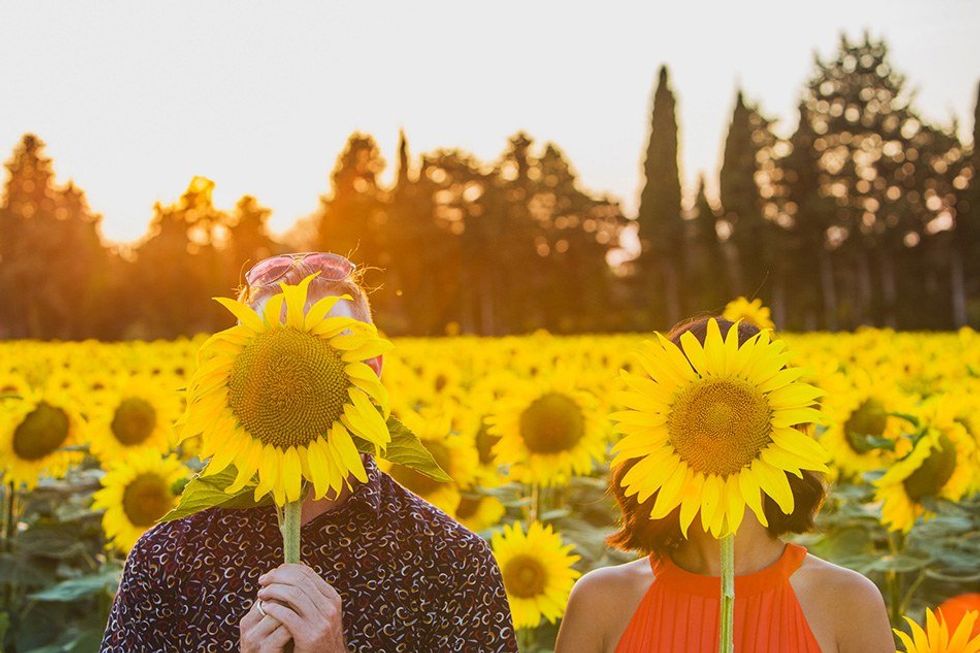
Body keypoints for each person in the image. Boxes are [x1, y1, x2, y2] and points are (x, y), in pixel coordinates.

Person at [100, 252, 518, 653]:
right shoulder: (168, 560)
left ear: (370, 370)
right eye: (270, 352)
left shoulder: (450, 562)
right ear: (234, 371)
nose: (290, 375)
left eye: (324, 347)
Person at [554, 316, 895, 653]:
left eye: (738, 413)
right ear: (652, 438)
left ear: (786, 434)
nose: (718, 431)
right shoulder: (600, 604)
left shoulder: (848, 604)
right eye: (696, 415)